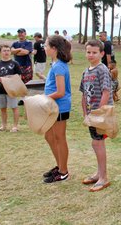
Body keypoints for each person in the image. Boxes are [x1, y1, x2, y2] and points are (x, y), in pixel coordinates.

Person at [80, 40, 114, 192]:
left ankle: (103, 177)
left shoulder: (102, 69)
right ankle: (99, 173)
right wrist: (85, 114)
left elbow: (106, 91)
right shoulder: (86, 72)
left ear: (101, 53)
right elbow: (83, 94)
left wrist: (99, 112)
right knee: (96, 143)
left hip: (100, 114)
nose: (91, 55)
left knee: (97, 143)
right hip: (91, 114)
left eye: (94, 52)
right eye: (88, 52)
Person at [42, 35, 72, 183]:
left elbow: (60, 92)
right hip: (52, 106)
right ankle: (59, 166)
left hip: (60, 106)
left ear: (54, 48)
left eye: (46, 45)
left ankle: (63, 171)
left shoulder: (59, 66)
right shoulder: (55, 65)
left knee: (60, 138)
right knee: (49, 136)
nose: (44, 47)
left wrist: (43, 99)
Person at [0, 44, 22, 132]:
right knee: (3, 108)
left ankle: (15, 126)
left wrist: (10, 79)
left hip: (11, 90)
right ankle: (3, 126)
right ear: (0, 52)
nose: (6, 52)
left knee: (14, 107)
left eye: (8, 50)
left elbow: (19, 76)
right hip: (0, 90)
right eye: (4, 50)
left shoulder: (15, 63)